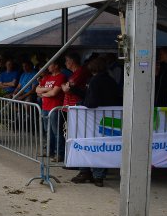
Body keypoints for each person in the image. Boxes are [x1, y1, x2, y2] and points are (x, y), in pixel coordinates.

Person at [71, 57, 121, 187]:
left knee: (87, 144)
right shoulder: (111, 80)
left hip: (93, 119)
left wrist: (80, 103)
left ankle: (88, 173)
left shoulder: (94, 81)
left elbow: (91, 102)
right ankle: (98, 176)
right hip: (109, 119)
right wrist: (75, 90)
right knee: (103, 146)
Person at [36, 60, 66, 161]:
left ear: (56, 65)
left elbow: (54, 93)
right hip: (45, 107)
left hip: (55, 108)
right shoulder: (47, 77)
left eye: (50, 65)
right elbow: (37, 90)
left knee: (56, 132)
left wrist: (43, 92)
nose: (48, 67)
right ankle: (50, 151)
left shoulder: (61, 77)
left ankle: (59, 153)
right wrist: (48, 90)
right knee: (47, 131)